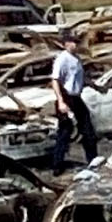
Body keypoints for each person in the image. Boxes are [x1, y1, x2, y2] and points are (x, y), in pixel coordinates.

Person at [48, 31, 98, 171]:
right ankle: (57, 165)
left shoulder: (76, 59)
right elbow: (55, 80)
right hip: (66, 97)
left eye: (77, 42)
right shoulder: (62, 59)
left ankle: (93, 160)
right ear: (66, 44)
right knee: (65, 131)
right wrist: (60, 101)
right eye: (73, 42)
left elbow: (81, 78)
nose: (76, 45)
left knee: (88, 129)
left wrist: (96, 86)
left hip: (76, 97)